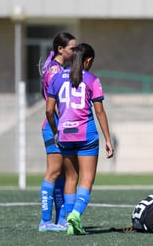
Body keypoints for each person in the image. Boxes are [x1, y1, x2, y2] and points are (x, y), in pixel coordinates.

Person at [46, 43, 114, 235]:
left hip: (65, 134)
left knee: (71, 177)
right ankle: (75, 214)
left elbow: (49, 110)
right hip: (86, 135)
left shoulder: (57, 78)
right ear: (88, 60)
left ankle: (69, 224)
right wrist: (108, 139)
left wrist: (56, 131)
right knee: (86, 178)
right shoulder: (92, 79)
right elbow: (99, 111)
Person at [39, 32, 77, 232]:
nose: (74, 51)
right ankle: (45, 221)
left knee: (62, 174)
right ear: (61, 49)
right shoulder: (54, 70)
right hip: (54, 127)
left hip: (60, 126)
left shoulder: (59, 68)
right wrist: (58, 129)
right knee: (53, 172)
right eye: (72, 48)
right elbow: (52, 106)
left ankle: (60, 219)